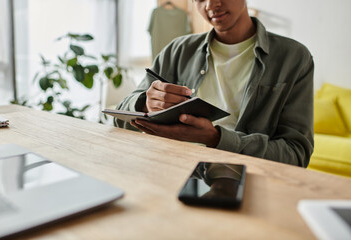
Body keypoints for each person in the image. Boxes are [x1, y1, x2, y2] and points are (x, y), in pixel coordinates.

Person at [114, 0, 314, 167]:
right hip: (171, 167)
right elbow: (120, 117)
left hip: (249, 178)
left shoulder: (294, 57)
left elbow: (296, 155)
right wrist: (145, 104)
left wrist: (215, 138)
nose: (211, 5)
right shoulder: (177, 50)